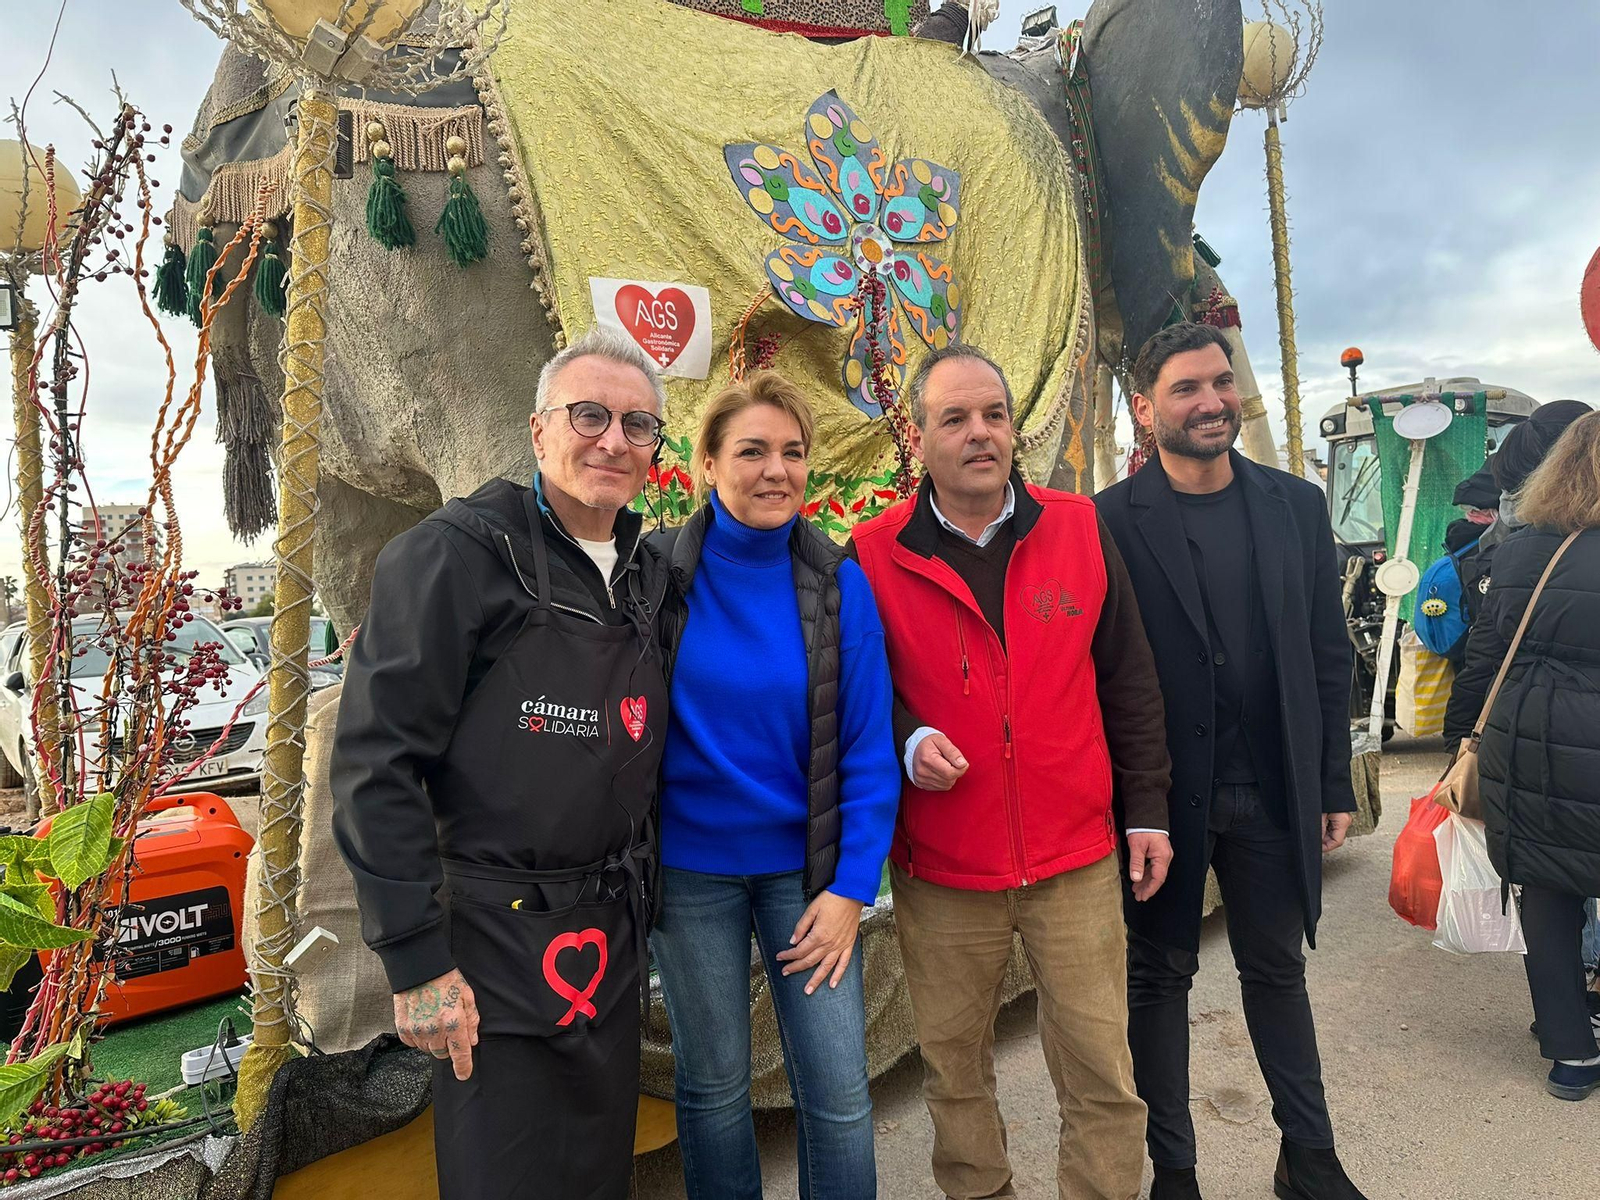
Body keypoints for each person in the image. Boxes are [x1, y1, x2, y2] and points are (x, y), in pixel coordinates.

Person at [330, 328, 674, 1200]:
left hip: (608, 931)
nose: (613, 441)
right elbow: (377, 765)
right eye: (589, 415)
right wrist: (415, 960)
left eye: (637, 425)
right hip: (489, 943)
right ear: (537, 429)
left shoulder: (646, 572)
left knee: (598, 1171)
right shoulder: (454, 555)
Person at [849, 343, 1173, 1200]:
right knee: (955, 1074)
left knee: (1102, 1071)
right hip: (944, 871)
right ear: (916, 437)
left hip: (1074, 859)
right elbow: (852, 690)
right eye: (954, 418)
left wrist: (1147, 809)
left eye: (994, 414)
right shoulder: (872, 554)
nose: (980, 433)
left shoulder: (1078, 528)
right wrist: (908, 740)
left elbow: (1129, 679)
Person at [1095, 322, 1369, 1200]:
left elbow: (1326, 652)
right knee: (1159, 978)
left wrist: (1330, 779)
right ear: (1146, 409)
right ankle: (1174, 1173)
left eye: (1220, 382)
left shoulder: (1296, 505)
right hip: (1164, 798)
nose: (1212, 401)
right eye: (1187, 388)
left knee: (1278, 972)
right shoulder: (1106, 521)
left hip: (1271, 787)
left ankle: (1310, 1158)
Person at [648, 371, 900, 1198]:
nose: (775, 470)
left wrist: (851, 889)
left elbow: (867, 749)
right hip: (689, 872)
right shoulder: (655, 575)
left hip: (807, 873)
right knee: (713, 1086)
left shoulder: (837, 583)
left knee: (837, 1091)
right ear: (708, 463)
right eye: (752, 450)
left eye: (792, 452)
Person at [1443, 411, 1600, 1101]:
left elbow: (1486, 656)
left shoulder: (1520, 552)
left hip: (1533, 738)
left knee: (1547, 886)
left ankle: (1569, 1050)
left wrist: (1458, 737)